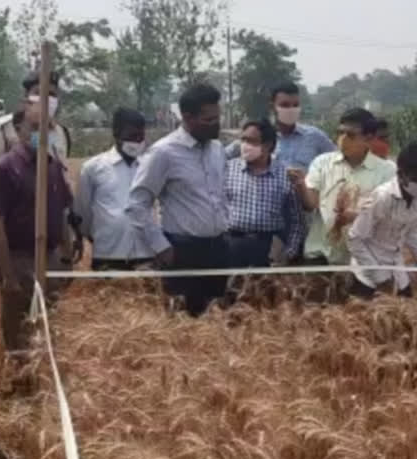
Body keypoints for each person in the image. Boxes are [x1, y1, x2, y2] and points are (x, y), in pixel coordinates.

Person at [127, 84, 229, 317]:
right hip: (183, 252)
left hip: (219, 249)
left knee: (216, 322)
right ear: (187, 117)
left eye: (217, 118)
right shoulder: (163, 152)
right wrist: (161, 247)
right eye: (208, 120)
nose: (216, 124)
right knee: (184, 324)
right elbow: (137, 205)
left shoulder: (217, 149)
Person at [0, 108, 73, 357]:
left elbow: (62, 214)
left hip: (52, 257)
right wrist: (7, 273)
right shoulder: (4, 169)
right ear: (18, 129)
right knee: (20, 333)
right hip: (19, 259)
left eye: (46, 128)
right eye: (34, 128)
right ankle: (21, 386)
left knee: (49, 332)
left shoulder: (53, 166)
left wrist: (66, 258)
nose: (41, 134)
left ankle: (45, 385)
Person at [289, 108, 396, 265]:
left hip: (363, 259)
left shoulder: (387, 171)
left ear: (369, 138)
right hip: (320, 255)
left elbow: (387, 214)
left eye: (350, 135)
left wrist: (359, 215)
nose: (342, 139)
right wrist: (301, 186)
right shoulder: (322, 163)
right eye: (340, 133)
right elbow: (311, 204)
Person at [348, 143, 417, 299]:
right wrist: (379, 277)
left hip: (396, 267)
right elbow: (354, 238)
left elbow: (411, 232)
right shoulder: (382, 197)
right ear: (401, 174)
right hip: (368, 272)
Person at [76, 108, 155, 271]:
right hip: (108, 255)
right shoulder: (93, 168)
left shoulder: (150, 166)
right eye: (132, 136)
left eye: (141, 137)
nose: (137, 142)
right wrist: (97, 236)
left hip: (145, 254)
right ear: (116, 134)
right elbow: (83, 212)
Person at [225, 118, 306, 267]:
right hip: (232, 245)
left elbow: (297, 221)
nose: (245, 146)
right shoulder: (228, 169)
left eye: (252, 141)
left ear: (267, 145)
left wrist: (289, 253)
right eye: (243, 140)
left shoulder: (285, 175)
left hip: (268, 248)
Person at [0, 70, 70, 179]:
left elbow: (63, 175)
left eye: (51, 94)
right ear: (26, 96)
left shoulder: (60, 133)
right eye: (38, 93)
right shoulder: (4, 130)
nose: (46, 99)